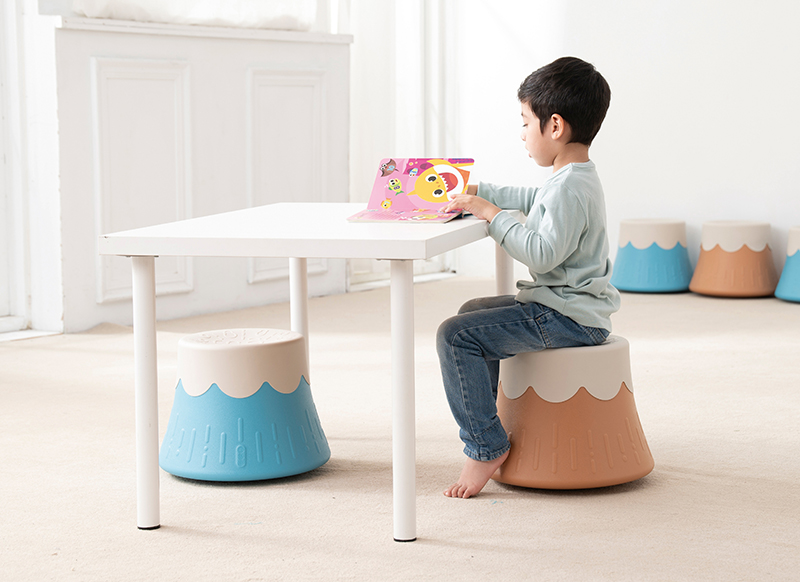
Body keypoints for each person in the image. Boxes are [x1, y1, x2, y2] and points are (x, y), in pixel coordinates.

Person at [437, 56, 621, 498]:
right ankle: (489, 424)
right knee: (471, 313)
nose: (521, 134)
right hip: (565, 307)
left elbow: (541, 252)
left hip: (567, 317)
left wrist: (493, 215)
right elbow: (533, 198)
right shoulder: (572, 177)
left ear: (554, 126)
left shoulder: (570, 187)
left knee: (454, 336)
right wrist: (481, 192)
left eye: (524, 123)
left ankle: (485, 445)